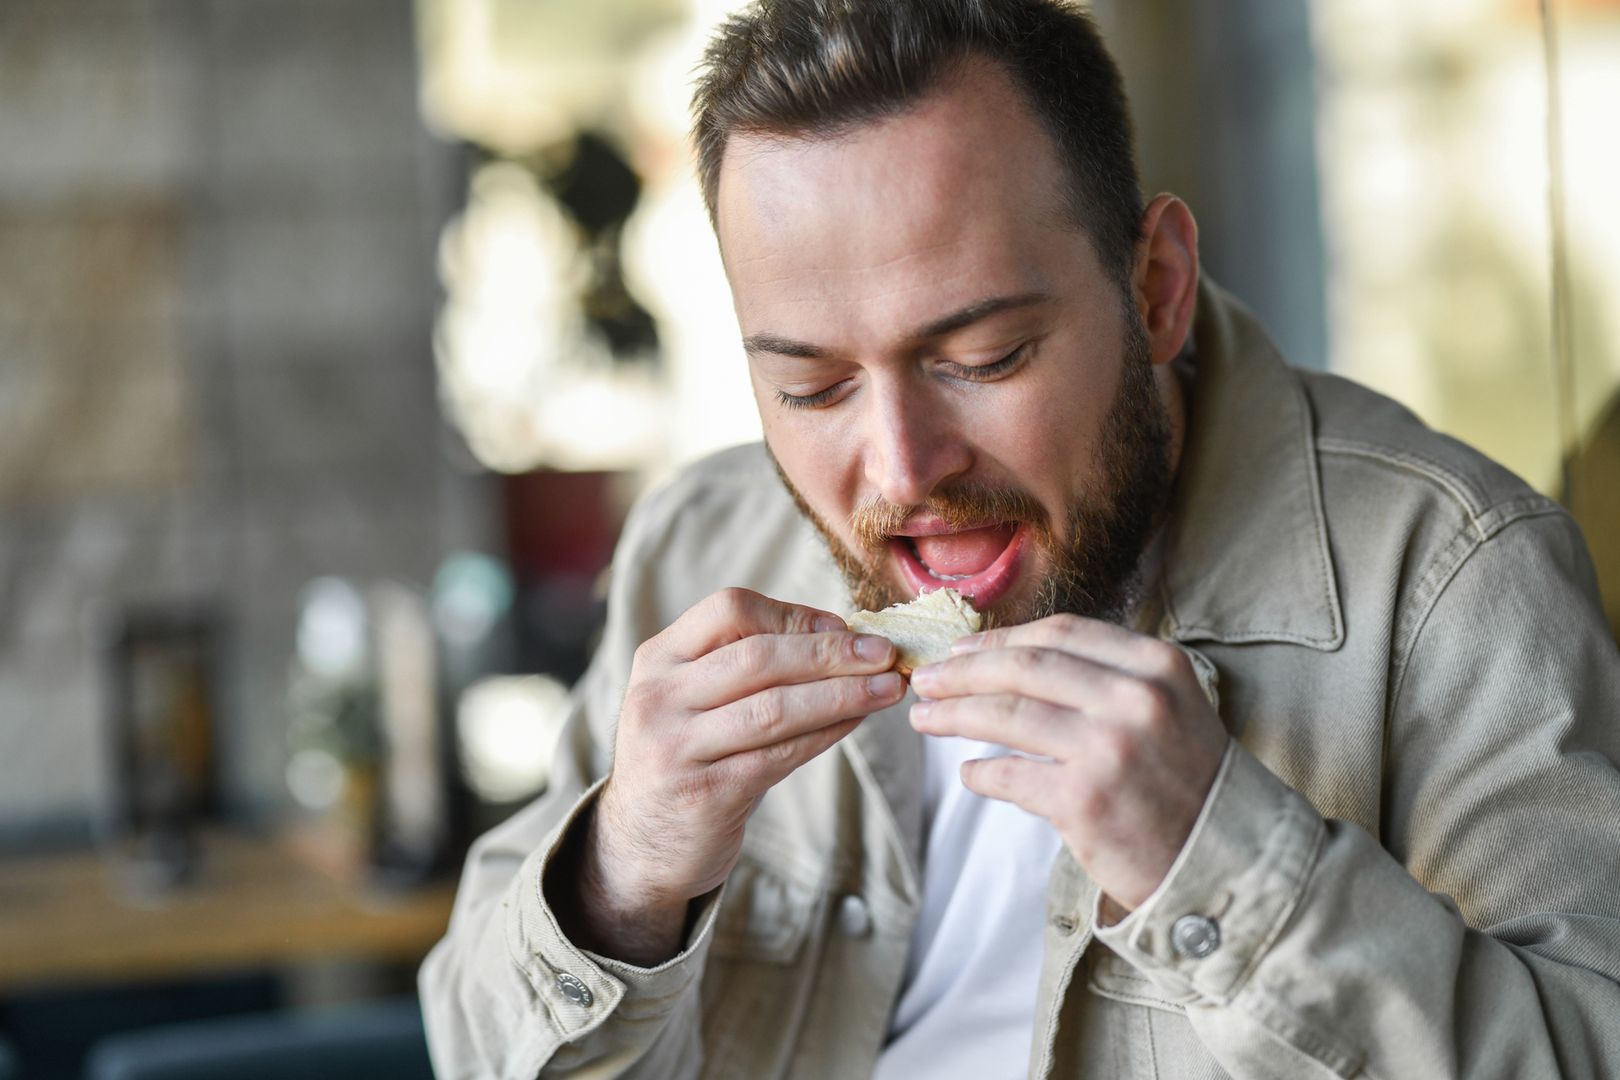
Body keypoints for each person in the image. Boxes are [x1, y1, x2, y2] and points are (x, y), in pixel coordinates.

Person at [418, 1, 1620, 1076]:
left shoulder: (1455, 578)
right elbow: (470, 1039)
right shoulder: (697, 543)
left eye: (981, 359)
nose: (904, 469)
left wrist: (1228, 866)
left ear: (1156, 287)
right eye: (813, 387)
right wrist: (622, 879)